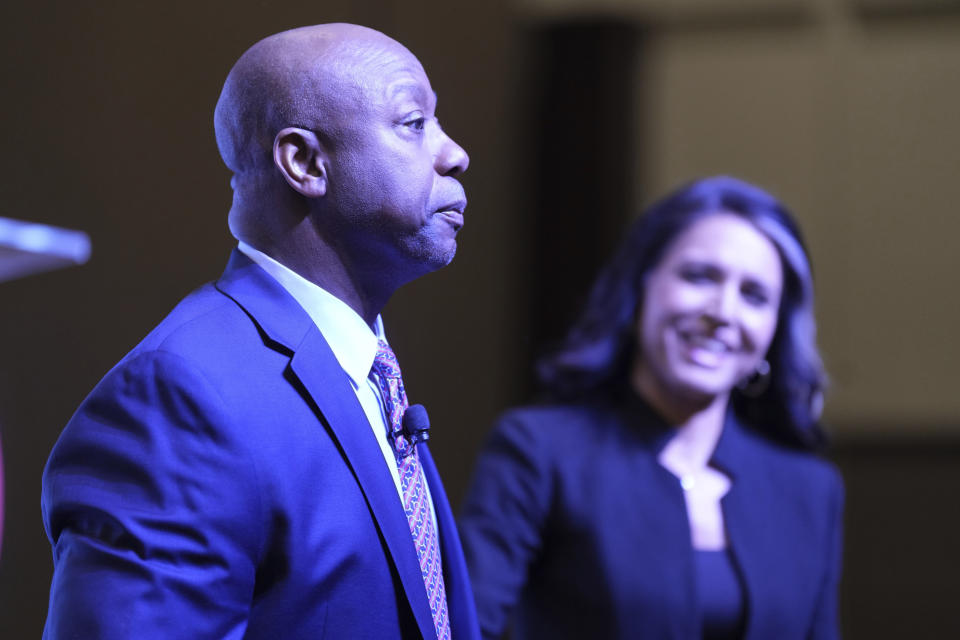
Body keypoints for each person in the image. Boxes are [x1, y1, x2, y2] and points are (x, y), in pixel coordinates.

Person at [42, 23, 479, 640]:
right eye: (414, 123)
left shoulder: (371, 373)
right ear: (304, 161)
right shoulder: (178, 397)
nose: (454, 154)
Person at [459, 176, 844, 640]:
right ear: (641, 287)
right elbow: (464, 627)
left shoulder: (809, 491)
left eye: (754, 296)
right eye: (700, 276)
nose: (723, 311)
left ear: (772, 333)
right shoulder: (538, 452)